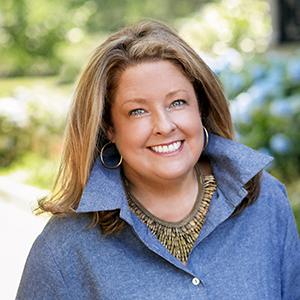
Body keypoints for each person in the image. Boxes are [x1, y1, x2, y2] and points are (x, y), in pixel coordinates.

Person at [16, 21, 300, 299]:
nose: (164, 126)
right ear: (109, 128)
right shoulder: (64, 250)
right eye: (138, 111)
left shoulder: (267, 202)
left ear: (200, 107)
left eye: (177, 103)